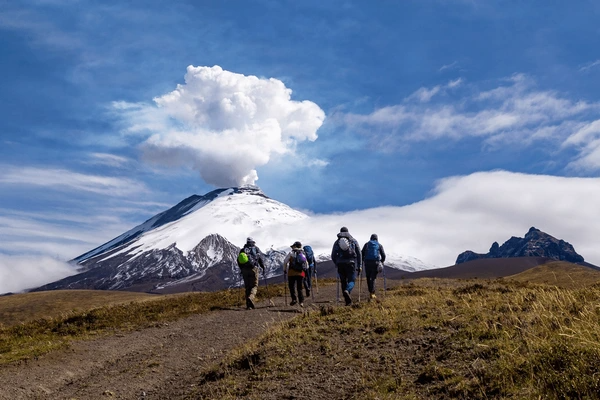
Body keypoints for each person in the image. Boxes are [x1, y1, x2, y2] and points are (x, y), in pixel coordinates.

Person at [331, 227, 362, 306]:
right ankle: (347, 291)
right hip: (351, 263)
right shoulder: (353, 240)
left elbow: (333, 255)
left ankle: (347, 301)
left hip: (340, 264)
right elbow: (359, 253)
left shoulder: (337, 242)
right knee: (351, 280)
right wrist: (359, 265)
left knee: (343, 281)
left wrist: (336, 263)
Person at [237, 237, 265, 310]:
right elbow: (260, 259)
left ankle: (248, 306)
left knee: (247, 287)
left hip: (244, 270)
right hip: (253, 269)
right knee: (254, 286)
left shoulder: (243, 250)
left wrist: (241, 269)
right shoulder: (256, 249)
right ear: (253, 242)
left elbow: (238, 260)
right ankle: (251, 297)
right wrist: (263, 267)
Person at [283, 241, 308, 307]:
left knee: (292, 287)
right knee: (299, 288)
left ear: (295, 246)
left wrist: (284, 270)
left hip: (291, 273)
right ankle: (301, 301)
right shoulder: (303, 253)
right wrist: (305, 270)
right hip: (301, 273)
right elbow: (306, 263)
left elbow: (285, 261)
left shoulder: (291, 253)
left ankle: (294, 299)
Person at [362, 234, 386, 300]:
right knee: (373, 278)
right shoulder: (379, 245)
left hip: (367, 263)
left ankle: (370, 291)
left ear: (370, 238)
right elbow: (383, 255)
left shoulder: (367, 244)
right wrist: (381, 261)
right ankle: (372, 293)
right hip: (375, 263)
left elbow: (362, 253)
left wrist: (363, 260)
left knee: (368, 277)